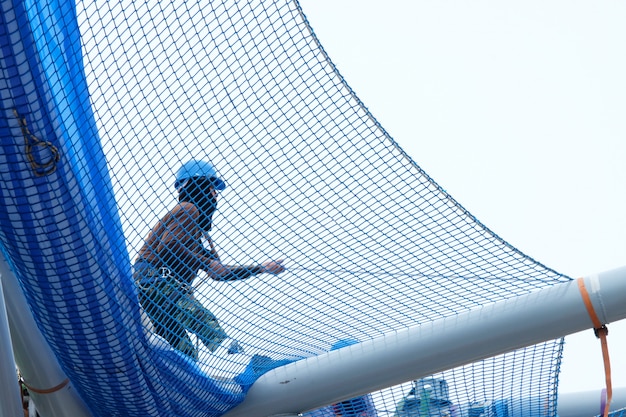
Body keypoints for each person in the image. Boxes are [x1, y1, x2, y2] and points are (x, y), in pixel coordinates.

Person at [134, 159, 285, 360]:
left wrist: (261, 268)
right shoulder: (188, 209)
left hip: (157, 296)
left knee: (184, 354)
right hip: (153, 283)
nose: (215, 195)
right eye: (212, 188)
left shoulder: (200, 236)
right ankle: (231, 357)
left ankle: (185, 377)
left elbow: (219, 272)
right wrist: (206, 262)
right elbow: (168, 246)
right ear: (199, 187)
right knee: (201, 320)